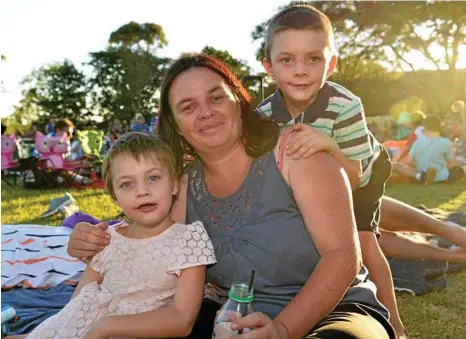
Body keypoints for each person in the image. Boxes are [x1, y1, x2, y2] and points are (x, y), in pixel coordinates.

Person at [67, 53, 395, 339]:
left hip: (337, 311)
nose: (206, 112)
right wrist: (94, 242)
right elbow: (147, 243)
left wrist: (282, 330)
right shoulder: (180, 186)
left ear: (238, 100)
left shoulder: (295, 152)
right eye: (188, 106)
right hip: (231, 319)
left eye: (216, 98)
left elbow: (343, 256)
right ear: (177, 125)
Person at [256, 4, 403, 337]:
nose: (300, 71)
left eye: (313, 58)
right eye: (286, 60)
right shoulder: (263, 116)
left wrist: (329, 145)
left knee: (363, 242)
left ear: (331, 63)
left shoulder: (345, 105)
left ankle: (394, 322)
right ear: (269, 67)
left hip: (361, 169)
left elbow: (353, 177)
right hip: (318, 180)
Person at [26, 132, 216, 339]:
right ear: (115, 198)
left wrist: (107, 327)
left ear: (175, 185)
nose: (142, 191)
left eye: (153, 178)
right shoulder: (107, 238)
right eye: (127, 184)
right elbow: (77, 303)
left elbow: (182, 320)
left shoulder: (189, 239)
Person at [392, 115, 466, 185]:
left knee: (396, 166)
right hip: (444, 172)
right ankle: (435, 175)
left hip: (424, 171)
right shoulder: (447, 142)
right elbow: (450, 162)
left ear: (425, 127)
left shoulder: (418, 141)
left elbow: (410, 161)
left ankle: (418, 176)